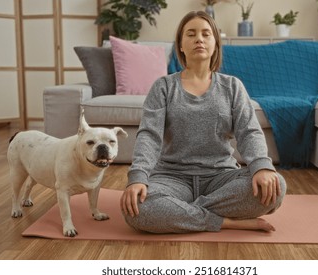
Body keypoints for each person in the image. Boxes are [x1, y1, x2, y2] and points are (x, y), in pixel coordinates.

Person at [120, 11, 286, 233]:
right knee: (140, 206)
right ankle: (226, 222)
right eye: (191, 34)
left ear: (215, 43)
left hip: (221, 177)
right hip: (171, 177)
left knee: (277, 187)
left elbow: (250, 132)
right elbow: (149, 135)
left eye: (206, 34)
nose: (199, 38)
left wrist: (261, 167)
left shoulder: (232, 86)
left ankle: (180, 213)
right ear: (180, 45)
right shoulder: (163, 87)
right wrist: (138, 176)